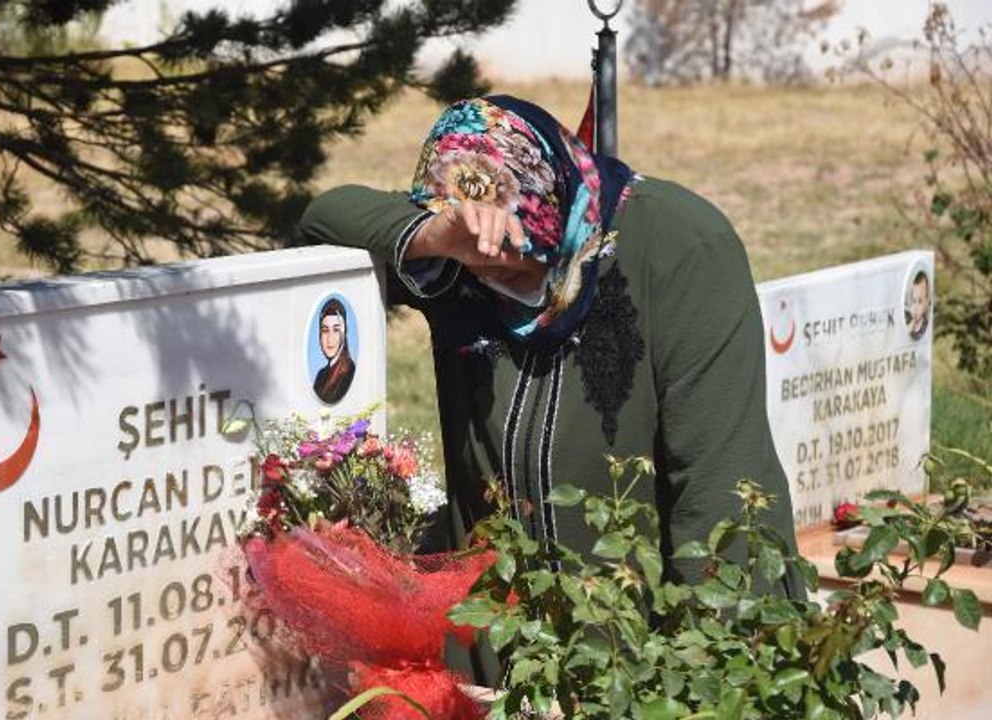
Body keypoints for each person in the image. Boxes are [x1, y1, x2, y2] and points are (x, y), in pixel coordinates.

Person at [300, 95, 801, 677]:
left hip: (646, 645)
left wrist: (704, 670)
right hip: (502, 647)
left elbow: (717, 488)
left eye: (519, 264)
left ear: (558, 214)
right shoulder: (457, 265)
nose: (497, 279)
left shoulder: (679, 248)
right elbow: (322, 217)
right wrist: (433, 236)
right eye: (481, 267)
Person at [313, 298, 356, 403]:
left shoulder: (349, 371)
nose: (330, 338)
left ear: (344, 333)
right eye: (325, 330)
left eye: (336, 330)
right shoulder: (321, 375)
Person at [906, 270, 930, 340]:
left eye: (920, 302)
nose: (916, 308)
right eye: (913, 301)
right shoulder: (907, 320)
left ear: (926, 302)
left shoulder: (925, 326)